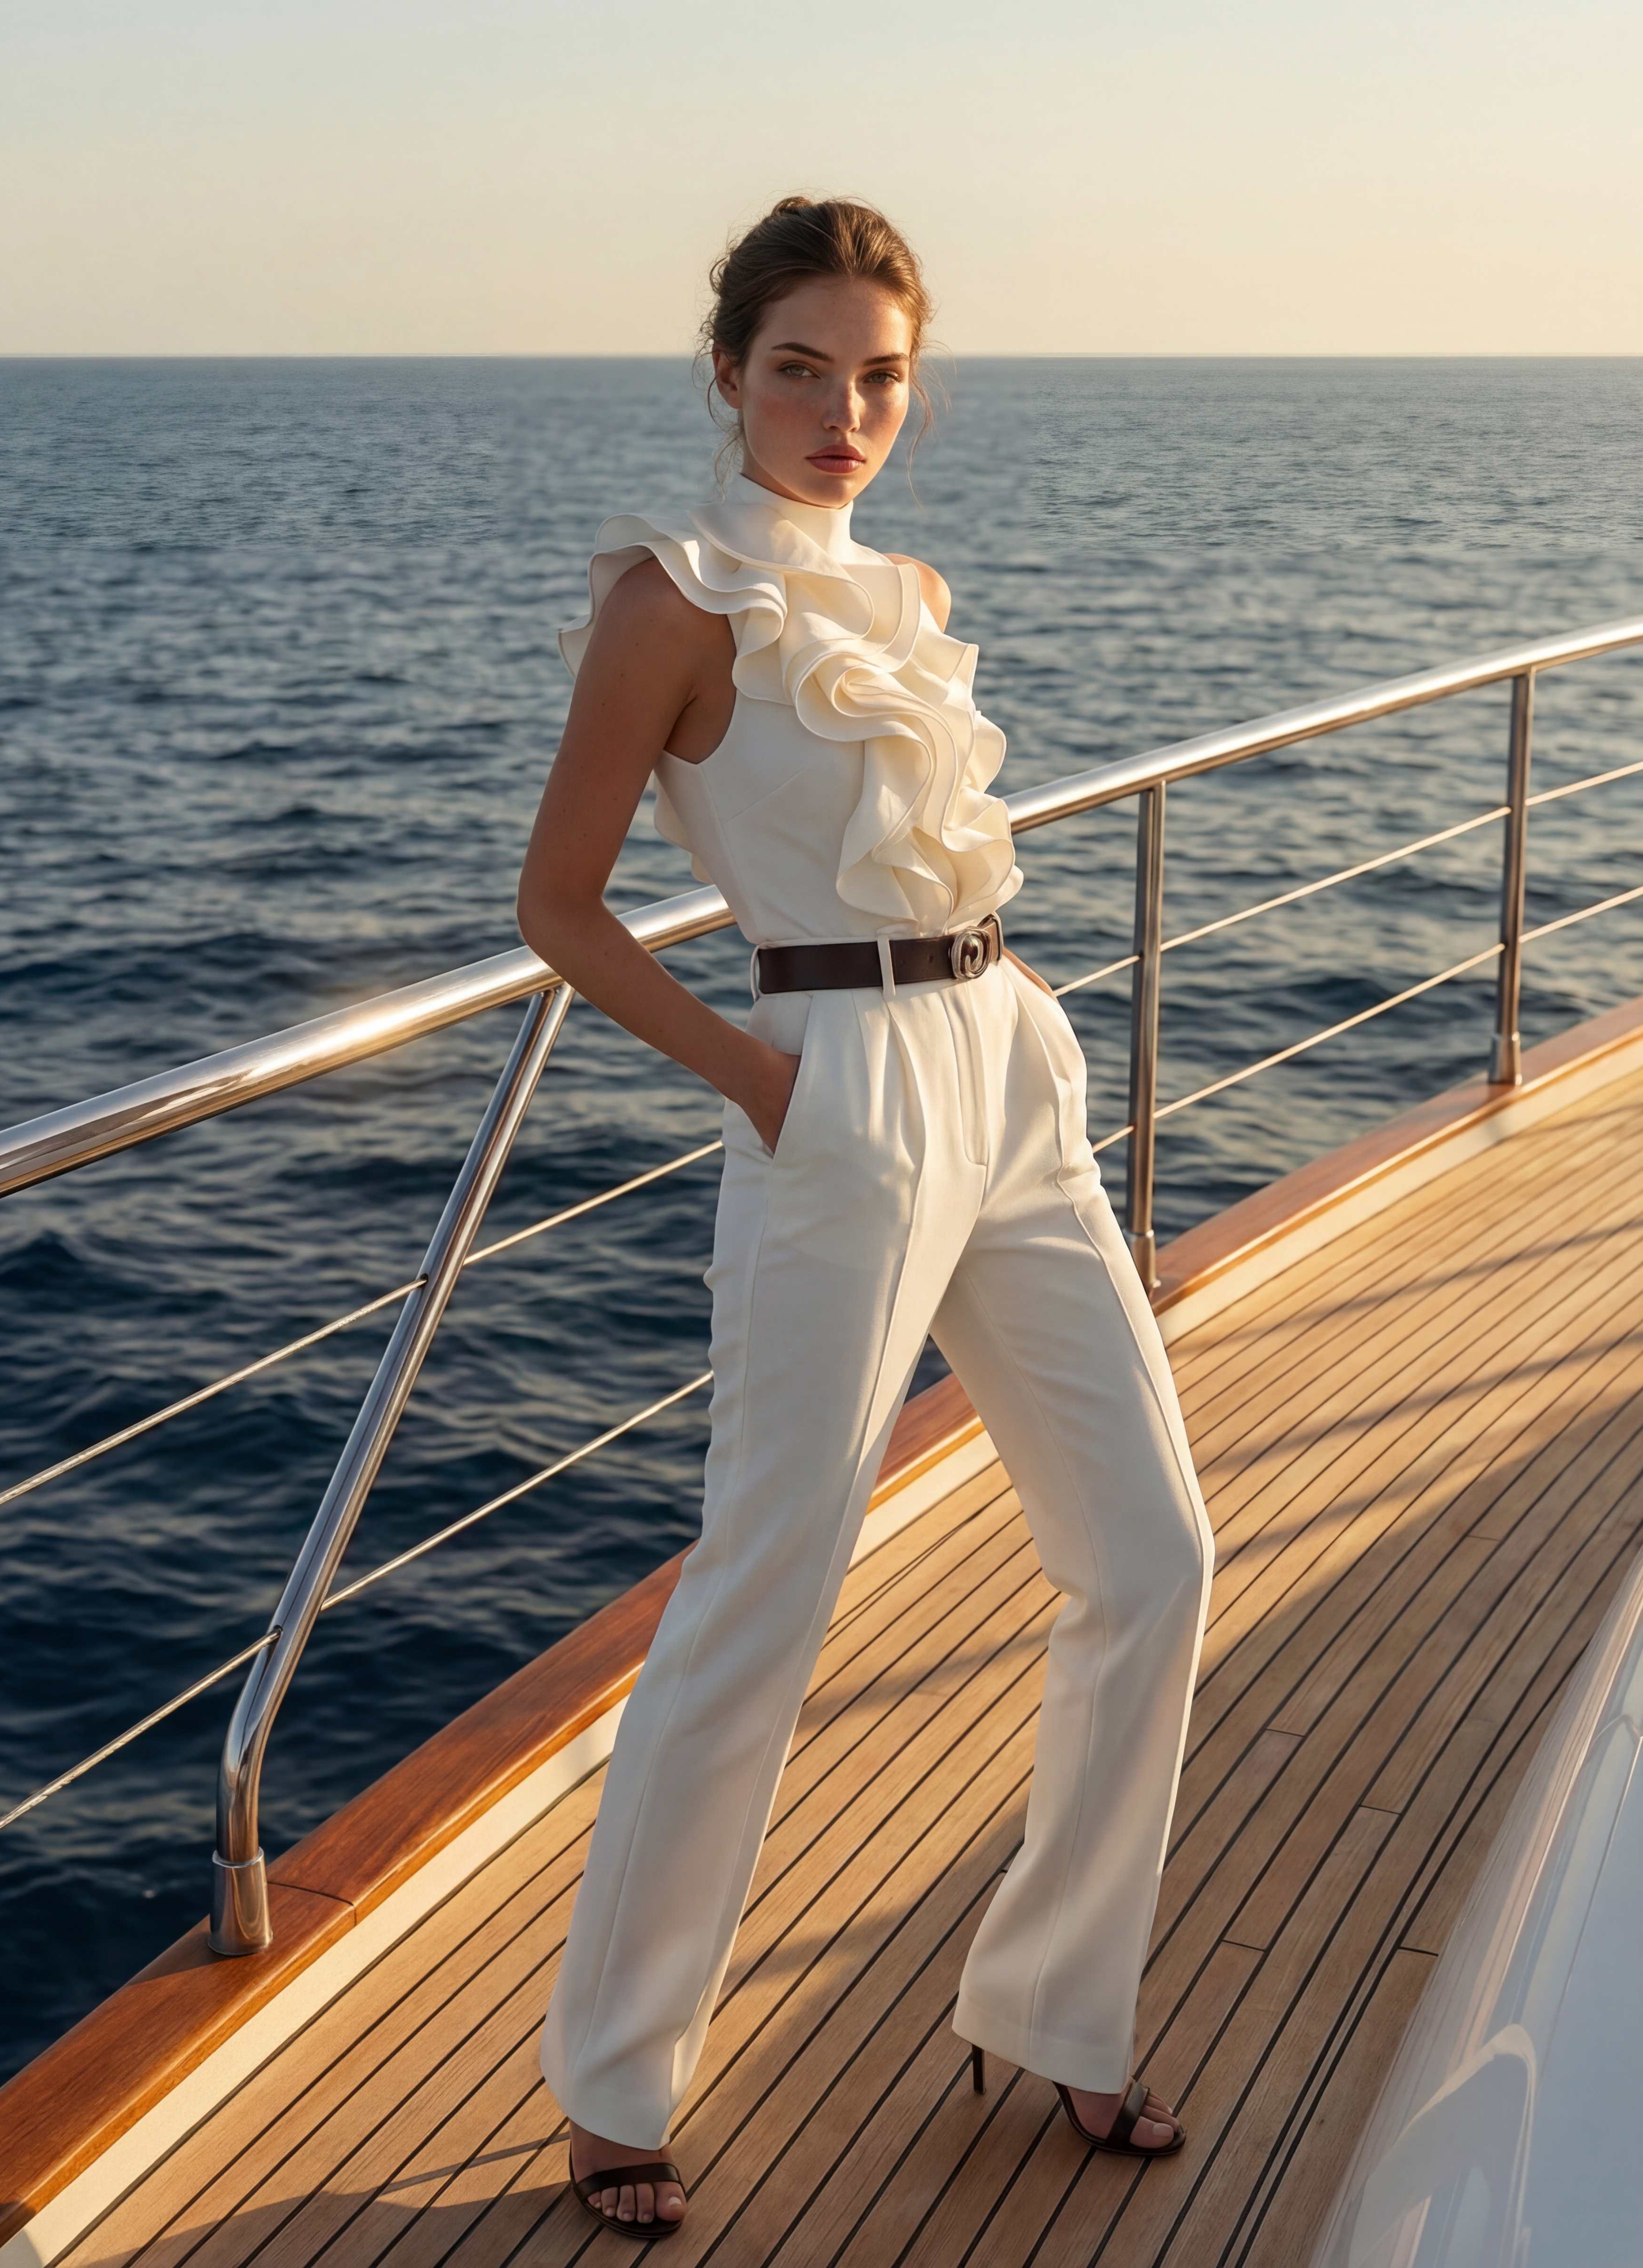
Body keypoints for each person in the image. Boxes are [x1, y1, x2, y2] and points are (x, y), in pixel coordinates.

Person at [516, 194, 1215, 2244]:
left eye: (879, 375)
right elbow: (557, 908)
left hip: (1006, 1053)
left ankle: (1059, 2004)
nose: (842, 409)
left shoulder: (900, 587)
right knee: (770, 1582)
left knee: (1152, 1555)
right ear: (727, 373)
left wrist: (989, 1055)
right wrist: (760, 1083)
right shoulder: (671, 602)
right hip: (832, 1084)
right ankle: (618, 2077)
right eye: (803, 367)